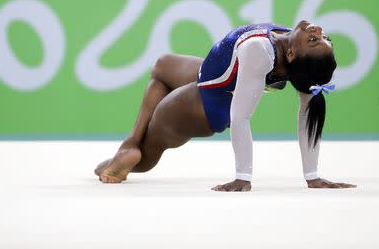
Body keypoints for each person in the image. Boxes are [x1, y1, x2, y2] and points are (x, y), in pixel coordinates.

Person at [94, 20, 356, 191]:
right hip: (209, 76)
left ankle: (131, 155)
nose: (318, 31)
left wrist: (243, 176)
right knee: (163, 65)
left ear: (291, 54)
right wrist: (311, 176)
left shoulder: (260, 51)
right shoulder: (291, 47)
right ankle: (127, 146)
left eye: (314, 40)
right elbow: (306, 111)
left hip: (206, 104)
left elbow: (242, 117)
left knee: (150, 150)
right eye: (324, 37)